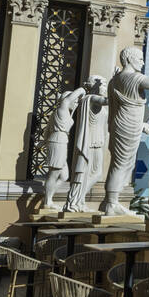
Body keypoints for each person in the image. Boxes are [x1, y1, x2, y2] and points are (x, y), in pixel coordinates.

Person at [100, 46, 149, 215]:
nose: (142, 62)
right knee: (121, 164)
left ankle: (111, 201)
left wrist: (141, 125)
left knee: (122, 164)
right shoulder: (134, 78)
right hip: (127, 125)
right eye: (140, 59)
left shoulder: (115, 80)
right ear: (130, 59)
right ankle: (111, 203)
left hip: (121, 124)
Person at [64, 76, 108, 212]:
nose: (105, 87)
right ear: (95, 86)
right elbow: (106, 101)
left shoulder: (94, 100)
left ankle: (79, 199)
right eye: (102, 84)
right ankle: (74, 201)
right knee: (83, 173)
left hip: (97, 142)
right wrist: (117, 85)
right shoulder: (91, 99)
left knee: (96, 174)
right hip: (89, 143)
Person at [41, 86, 86, 210]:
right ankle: (47, 201)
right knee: (54, 174)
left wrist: (44, 142)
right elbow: (67, 101)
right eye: (74, 100)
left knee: (64, 176)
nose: (76, 102)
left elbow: (47, 130)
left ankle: (49, 197)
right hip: (58, 142)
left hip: (60, 141)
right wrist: (82, 90)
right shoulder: (62, 108)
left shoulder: (64, 112)